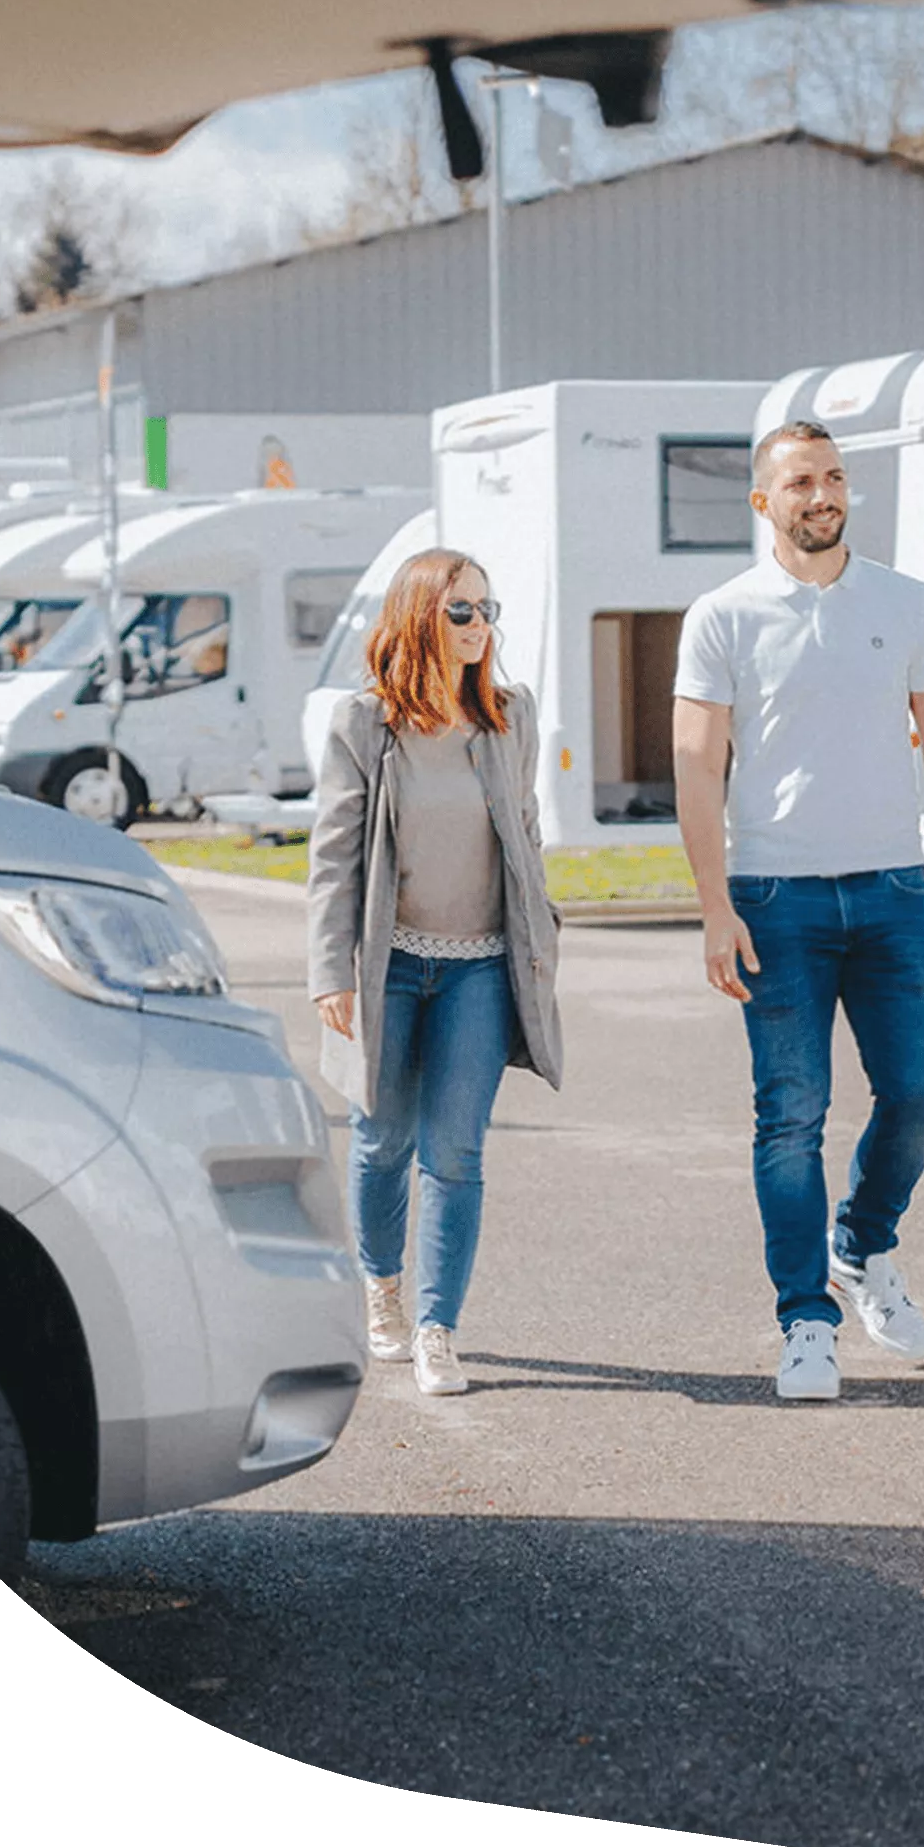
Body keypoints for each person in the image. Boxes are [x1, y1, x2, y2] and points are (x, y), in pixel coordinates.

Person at [673, 420, 924, 1402]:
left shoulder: (903, 603)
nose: (822, 494)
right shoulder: (722, 614)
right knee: (790, 1116)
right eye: (800, 481)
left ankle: (861, 1244)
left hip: (895, 889)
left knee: (923, 1094)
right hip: (775, 899)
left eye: (834, 478)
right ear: (762, 502)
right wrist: (712, 903)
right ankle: (804, 1321)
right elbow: (696, 762)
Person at [307, 549, 563, 1395]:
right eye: (460, 611)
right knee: (382, 1144)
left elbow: (522, 832)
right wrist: (328, 971)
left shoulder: (509, 718)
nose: (478, 625)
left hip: (479, 969)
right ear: (419, 616)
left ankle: (435, 1329)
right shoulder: (364, 726)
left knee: (454, 1154)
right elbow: (334, 859)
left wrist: (542, 930)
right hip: (387, 964)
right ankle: (380, 1291)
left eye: (487, 609)